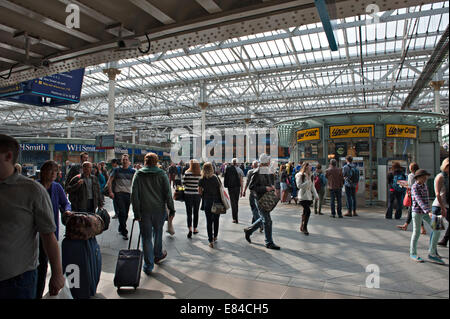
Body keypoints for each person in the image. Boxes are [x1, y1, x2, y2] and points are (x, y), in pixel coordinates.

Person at [0, 134, 65, 299]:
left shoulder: (31, 190)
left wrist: (57, 274)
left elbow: (48, 235)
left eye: (54, 171)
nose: (51, 174)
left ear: (8, 156)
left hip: (17, 280)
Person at [131, 153, 175, 275]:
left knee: (146, 238)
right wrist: (171, 209)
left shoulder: (139, 174)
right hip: (158, 210)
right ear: (156, 162)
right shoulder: (162, 174)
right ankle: (158, 254)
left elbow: (134, 195)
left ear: (145, 161)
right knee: (158, 232)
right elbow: (168, 194)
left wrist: (136, 212)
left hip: (144, 211)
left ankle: (148, 265)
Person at [36, 160, 72, 299]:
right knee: (39, 265)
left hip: (51, 232)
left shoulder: (57, 187)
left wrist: (67, 211)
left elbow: (65, 203)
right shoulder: (35, 186)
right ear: (43, 172)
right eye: (50, 170)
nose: (53, 174)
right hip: (35, 233)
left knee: (46, 262)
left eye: (55, 171)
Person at [244, 153, 280, 250]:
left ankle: (249, 230)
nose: (269, 162)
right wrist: (265, 188)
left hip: (265, 198)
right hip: (260, 199)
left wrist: (271, 187)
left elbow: (268, 183)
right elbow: (252, 187)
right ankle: (269, 242)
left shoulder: (266, 171)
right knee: (267, 220)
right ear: (265, 162)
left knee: (263, 219)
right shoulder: (257, 172)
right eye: (268, 160)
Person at [409, 169, 444, 264]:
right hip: (417, 212)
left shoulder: (425, 186)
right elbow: (419, 200)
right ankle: (413, 253)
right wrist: (428, 211)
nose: (425, 178)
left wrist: (429, 210)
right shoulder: (414, 187)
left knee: (437, 228)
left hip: (427, 211)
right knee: (416, 232)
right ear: (418, 178)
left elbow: (426, 199)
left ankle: (432, 253)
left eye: (426, 176)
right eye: (423, 177)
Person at [107, 154, 136, 240]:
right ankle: (124, 231)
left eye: (126, 159)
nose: (125, 161)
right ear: (121, 161)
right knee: (122, 212)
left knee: (125, 213)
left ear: (129, 161)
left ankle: (121, 227)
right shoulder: (116, 170)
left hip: (128, 194)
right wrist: (110, 192)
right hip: (118, 193)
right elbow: (109, 181)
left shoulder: (132, 171)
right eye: (123, 159)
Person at [396, 162, 426, 234]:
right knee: (416, 211)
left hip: (415, 197)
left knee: (414, 211)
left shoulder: (411, 175)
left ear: (411, 169)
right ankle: (419, 228)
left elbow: (411, 186)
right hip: (424, 202)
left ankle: (420, 228)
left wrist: (403, 185)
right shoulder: (420, 176)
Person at [198, 162, 222, 248]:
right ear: (212, 168)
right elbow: (220, 189)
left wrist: (205, 192)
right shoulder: (215, 178)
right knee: (216, 219)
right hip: (216, 201)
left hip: (207, 202)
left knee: (209, 221)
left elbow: (200, 192)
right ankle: (215, 236)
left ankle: (210, 240)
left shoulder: (202, 179)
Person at [296, 162, 319, 235]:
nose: (311, 167)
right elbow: (299, 186)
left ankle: (302, 225)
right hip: (302, 196)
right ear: (305, 167)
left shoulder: (311, 175)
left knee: (305, 212)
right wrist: (307, 182)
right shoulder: (300, 175)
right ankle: (305, 228)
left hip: (309, 197)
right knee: (308, 211)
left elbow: (313, 187)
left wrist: (316, 195)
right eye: (309, 166)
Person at [183, 159, 202, 239]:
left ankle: (190, 228)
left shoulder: (187, 173)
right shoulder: (200, 174)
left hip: (188, 194)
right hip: (197, 195)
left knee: (189, 212)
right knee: (196, 212)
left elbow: (183, 183)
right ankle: (195, 229)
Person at [243, 160, 263, 232]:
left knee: (254, 208)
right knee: (258, 209)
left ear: (252, 165)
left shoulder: (250, 172)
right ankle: (254, 224)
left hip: (252, 192)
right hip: (260, 193)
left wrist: (244, 191)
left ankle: (259, 223)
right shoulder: (261, 171)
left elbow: (247, 182)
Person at [224, 158, 244, 223]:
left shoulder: (228, 169)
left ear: (232, 163)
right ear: (237, 163)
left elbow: (226, 177)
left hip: (231, 187)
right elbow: (241, 181)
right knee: (236, 202)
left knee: (233, 202)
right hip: (237, 188)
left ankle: (234, 218)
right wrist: (242, 190)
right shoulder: (240, 170)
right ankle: (236, 217)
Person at [434, 158, 449, 248]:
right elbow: (437, 194)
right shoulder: (440, 177)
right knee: (436, 229)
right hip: (438, 206)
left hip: (447, 205)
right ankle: (433, 250)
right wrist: (442, 208)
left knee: (437, 229)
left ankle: (444, 240)